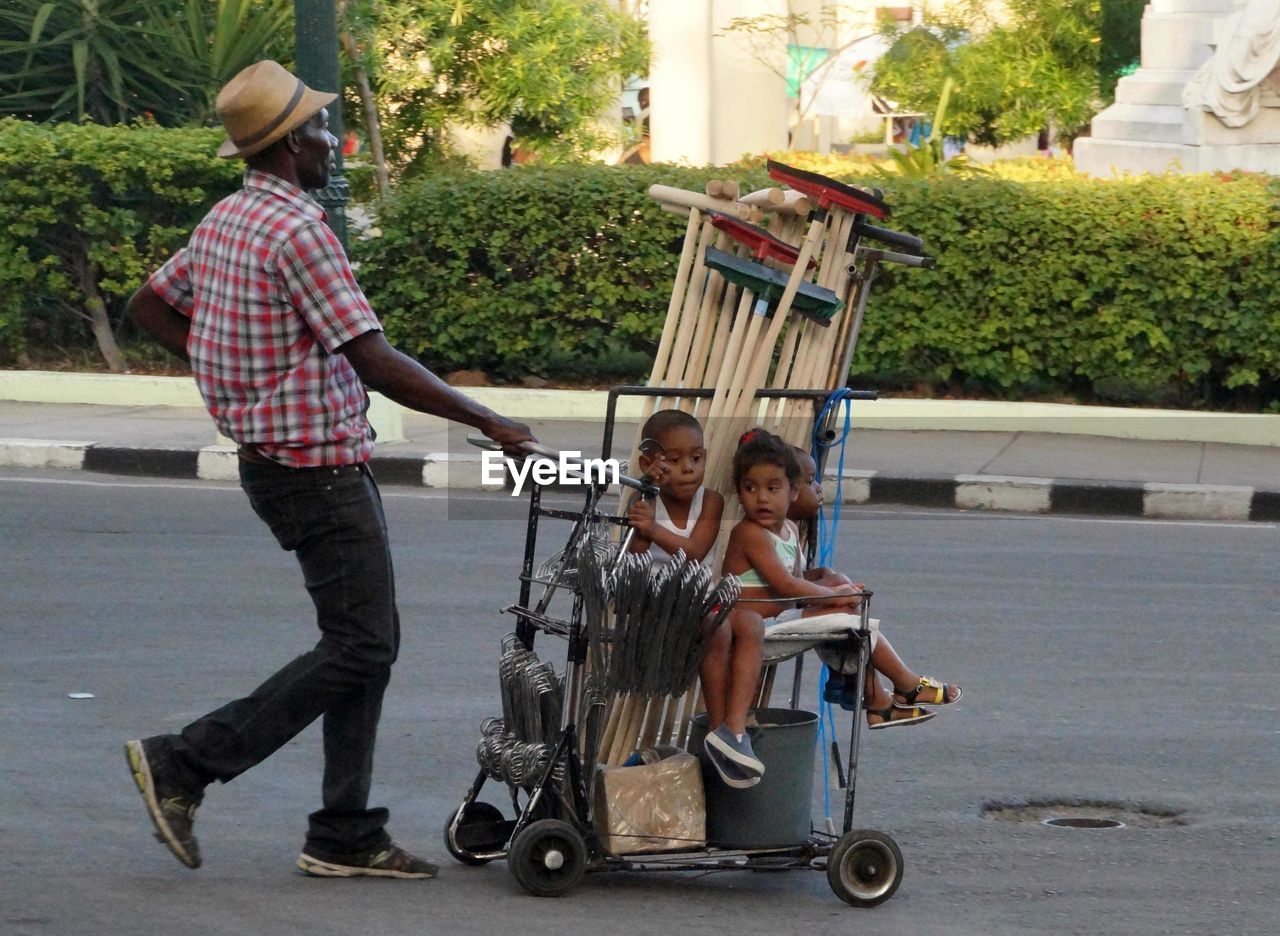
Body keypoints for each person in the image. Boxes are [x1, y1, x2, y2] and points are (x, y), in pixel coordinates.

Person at [122, 60, 533, 880]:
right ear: (287, 145)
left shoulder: (228, 219)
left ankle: (345, 831)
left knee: (358, 643)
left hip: (278, 462)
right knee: (364, 645)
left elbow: (149, 307)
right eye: (315, 131)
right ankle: (188, 761)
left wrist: (231, 371)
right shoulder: (299, 231)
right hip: (315, 468)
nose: (329, 143)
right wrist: (485, 418)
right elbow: (374, 358)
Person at [723, 432, 960, 733]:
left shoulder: (790, 531)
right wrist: (832, 596)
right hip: (754, 631)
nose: (762, 498)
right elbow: (785, 585)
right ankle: (904, 686)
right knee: (848, 615)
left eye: (773, 488)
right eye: (750, 488)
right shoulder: (750, 533)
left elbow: (793, 579)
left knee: (844, 600)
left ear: (792, 492)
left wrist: (834, 587)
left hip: (779, 619)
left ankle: (878, 700)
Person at [623, 411, 761, 790]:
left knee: (751, 623)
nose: (688, 469)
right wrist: (645, 510)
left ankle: (733, 732)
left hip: (695, 596)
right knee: (715, 631)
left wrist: (653, 530)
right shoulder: (644, 501)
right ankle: (718, 727)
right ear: (649, 464)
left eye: (696, 458)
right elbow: (633, 561)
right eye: (674, 460)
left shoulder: (710, 502)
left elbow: (696, 551)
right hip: (658, 604)